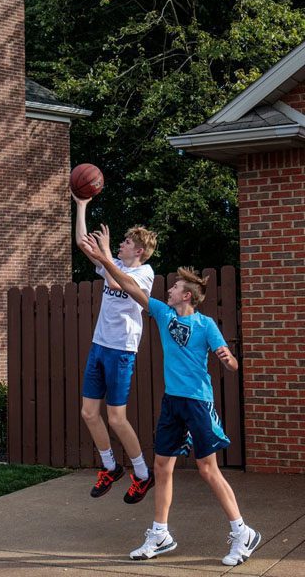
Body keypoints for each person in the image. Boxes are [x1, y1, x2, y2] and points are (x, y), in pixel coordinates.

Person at [80, 231, 260, 567]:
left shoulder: (206, 326)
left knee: (208, 469)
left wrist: (227, 358)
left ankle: (242, 532)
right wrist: (106, 260)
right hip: (172, 403)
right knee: (162, 468)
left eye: (176, 287)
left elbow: (233, 365)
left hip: (197, 403)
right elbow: (129, 286)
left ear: (187, 296)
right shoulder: (164, 314)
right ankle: (160, 533)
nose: (170, 289)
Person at [74, 194, 158, 504]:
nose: (120, 245)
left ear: (138, 250)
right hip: (99, 346)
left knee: (117, 419)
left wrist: (107, 254)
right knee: (88, 412)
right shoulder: (116, 263)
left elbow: (117, 285)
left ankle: (142, 473)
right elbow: (84, 244)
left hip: (122, 351)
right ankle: (110, 467)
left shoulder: (143, 273)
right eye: (118, 243)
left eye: (124, 243)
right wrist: (82, 204)